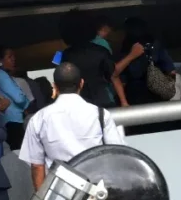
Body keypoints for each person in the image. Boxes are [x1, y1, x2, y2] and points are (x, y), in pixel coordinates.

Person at [18, 62, 125, 190]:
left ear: (55, 86)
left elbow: (37, 165)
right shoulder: (100, 114)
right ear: (81, 83)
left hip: (59, 192)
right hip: (96, 190)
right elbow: (116, 153)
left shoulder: (38, 119)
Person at [60, 9, 129, 108]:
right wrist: (124, 101)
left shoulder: (66, 55)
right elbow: (114, 75)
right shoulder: (101, 51)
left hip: (80, 104)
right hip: (103, 100)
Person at [0, 46, 30, 150]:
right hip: (13, 121)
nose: (13, 59)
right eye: (9, 57)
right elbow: (19, 98)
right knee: (19, 153)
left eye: (14, 57)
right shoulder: (0, 74)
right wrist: (26, 101)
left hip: (7, 121)